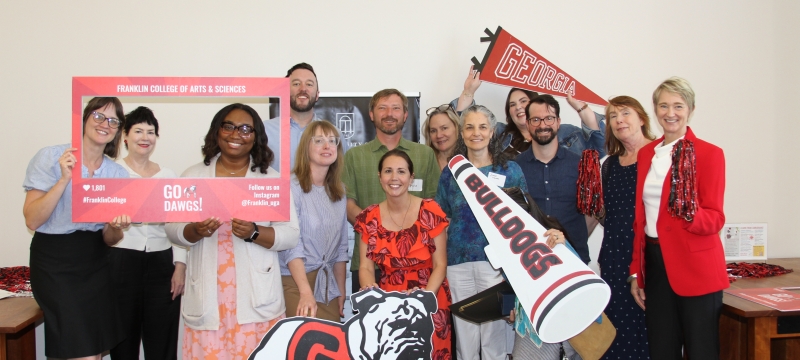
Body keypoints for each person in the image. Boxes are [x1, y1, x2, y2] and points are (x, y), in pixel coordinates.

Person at [165, 103, 299, 359]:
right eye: (229, 126)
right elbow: (172, 229)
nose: (236, 134)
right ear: (217, 131)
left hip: (256, 300)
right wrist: (195, 230)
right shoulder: (192, 177)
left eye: (246, 129)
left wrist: (254, 232)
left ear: (257, 136)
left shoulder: (271, 180)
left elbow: (290, 234)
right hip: (208, 299)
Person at [23, 97, 131, 359]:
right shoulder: (51, 157)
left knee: (93, 352)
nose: (105, 124)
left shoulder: (117, 174)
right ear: (84, 118)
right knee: (80, 351)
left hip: (94, 261)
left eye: (113, 121)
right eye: (98, 116)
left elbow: (109, 238)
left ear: (118, 131)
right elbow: (32, 220)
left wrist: (118, 226)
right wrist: (63, 180)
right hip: (54, 263)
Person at [629, 77, 727, 360]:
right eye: (663, 106)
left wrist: (689, 212)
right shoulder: (647, 153)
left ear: (691, 109)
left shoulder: (709, 154)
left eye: (678, 106)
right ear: (655, 110)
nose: (670, 113)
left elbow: (715, 218)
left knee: (701, 352)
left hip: (696, 267)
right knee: (661, 349)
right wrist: (637, 271)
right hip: (656, 266)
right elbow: (642, 219)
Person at [434, 105, 528, 360]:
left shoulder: (509, 171)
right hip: (458, 263)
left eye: (482, 127)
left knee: (495, 339)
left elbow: (523, 218)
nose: (476, 133)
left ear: (492, 131)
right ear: (462, 133)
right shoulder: (451, 173)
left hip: (497, 264)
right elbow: (442, 218)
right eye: (469, 127)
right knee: (464, 339)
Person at [354, 149, 452, 357]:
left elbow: (441, 265)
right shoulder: (368, 217)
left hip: (429, 296)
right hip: (388, 302)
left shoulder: (430, 211)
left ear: (411, 177)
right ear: (380, 177)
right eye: (388, 171)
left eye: (401, 171)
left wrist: (423, 298)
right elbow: (365, 267)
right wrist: (370, 289)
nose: (394, 178)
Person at [343, 89, 440, 293]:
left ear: (405, 115)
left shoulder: (424, 154)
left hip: (417, 267)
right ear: (371, 114)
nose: (389, 113)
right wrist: (380, 236)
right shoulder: (354, 156)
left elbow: (432, 204)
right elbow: (348, 205)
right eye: (382, 108)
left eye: (396, 108)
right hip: (369, 264)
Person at [108, 106, 186, 360]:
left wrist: (180, 267)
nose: (145, 137)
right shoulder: (112, 174)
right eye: (138, 130)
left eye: (150, 132)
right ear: (125, 136)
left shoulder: (169, 176)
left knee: (162, 342)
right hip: (121, 262)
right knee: (122, 341)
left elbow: (179, 227)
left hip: (161, 264)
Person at [596, 96, 655, 359]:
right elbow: (609, 214)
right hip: (613, 259)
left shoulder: (658, 157)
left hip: (647, 257)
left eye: (625, 113)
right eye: (612, 116)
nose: (619, 120)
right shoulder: (609, 164)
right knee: (616, 334)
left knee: (649, 332)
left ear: (641, 118)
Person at [279, 121, 349, 322]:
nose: (327, 146)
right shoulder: (291, 188)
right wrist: (305, 292)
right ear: (305, 148)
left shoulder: (339, 191)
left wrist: (341, 291)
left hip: (327, 285)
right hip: (296, 283)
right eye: (319, 141)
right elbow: (291, 246)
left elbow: (341, 248)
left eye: (332, 141)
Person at [453, 66, 606, 157]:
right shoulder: (500, 133)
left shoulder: (566, 133)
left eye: (523, 101)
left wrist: (581, 107)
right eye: (512, 105)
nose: (518, 107)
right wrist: (468, 91)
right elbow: (464, 123)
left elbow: (601, 147)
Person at [516, 94, 594, 264]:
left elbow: (592, 212)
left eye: (549, 118)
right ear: (528, 124)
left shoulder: (581, 165)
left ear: (558, 122)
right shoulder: (515, 168)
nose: (543, 125)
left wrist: (575, 237)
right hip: (530, 262)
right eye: (536, 119)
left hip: (575, 259)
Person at [502, 190, 579, 360]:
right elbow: (514, 294)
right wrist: (511, 312)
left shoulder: (553, 238)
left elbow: (578, 279)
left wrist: (563, 249)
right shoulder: (505, 252)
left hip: (559, 335)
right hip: (526, 337)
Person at [264, 62, 322, 173]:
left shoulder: (333, 134)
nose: (303, 89)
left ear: (317, 95)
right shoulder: (264, 130)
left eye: (309, 84)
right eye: (296, 84)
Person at [421, 103, 461, 170]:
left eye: (444, 128)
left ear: (457, 128)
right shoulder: (424, 163)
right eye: (433, 131)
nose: (439, 135)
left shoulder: (470, 161)